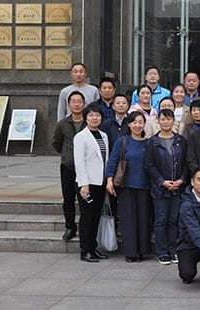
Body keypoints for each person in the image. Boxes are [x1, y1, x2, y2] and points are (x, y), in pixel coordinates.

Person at [105, 111, 151, 262]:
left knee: (143, 219)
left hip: (144, 186)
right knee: (128, 219)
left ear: (144, 124)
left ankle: (142, 250)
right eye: (134, 122)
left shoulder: (148, 143)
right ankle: (131, 252)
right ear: (129, 124)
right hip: (126, 186)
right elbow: (113, 161)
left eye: (140, 122)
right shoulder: (123, 141)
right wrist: (109, 180)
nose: (137, 125)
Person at [145, 109, 188, 265]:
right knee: (161, 220)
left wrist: (181, 180)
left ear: (173, 121)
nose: (165, 122)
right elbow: (149, 165)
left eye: (168, 119)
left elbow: (186, 163)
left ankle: (173, 250)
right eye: (162, 119)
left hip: (177, 187)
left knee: (173, 220)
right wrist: (162, 181)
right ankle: (162, 252)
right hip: (160, 189)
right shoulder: (152, 142)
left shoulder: (181, 140)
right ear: (158, 121)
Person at [73, 103, 109, 262]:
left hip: (100, 182)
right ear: (86, 118)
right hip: (86, 184)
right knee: (87, 217)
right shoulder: (81, 137)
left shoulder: (103, 135)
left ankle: (93, 247)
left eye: (98, 115)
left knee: (96, 217)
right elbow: (79, 162)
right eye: (91, 115)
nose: (95, 118)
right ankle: (85, 250)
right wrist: (84, 184)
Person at [52, 91, 86, 241]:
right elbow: (56, 143)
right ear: (69, 105)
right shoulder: (62, 124)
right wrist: (66, 156)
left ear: (84, 104)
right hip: (68, 167)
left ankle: (85, 228)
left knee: (85, 199)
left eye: (79, 102)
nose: (77, 104)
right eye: (74, 102)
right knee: (68, 199)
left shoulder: (89, 122)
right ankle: (70, 227)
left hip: (86, 169)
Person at [100, 93, 131, 161]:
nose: (121, 105)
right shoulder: (107, 124)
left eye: (124, 103)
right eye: (118, 103)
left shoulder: (132, 122)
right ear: (113, 106)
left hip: (129, 158)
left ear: (128, 106)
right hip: (112, 158)